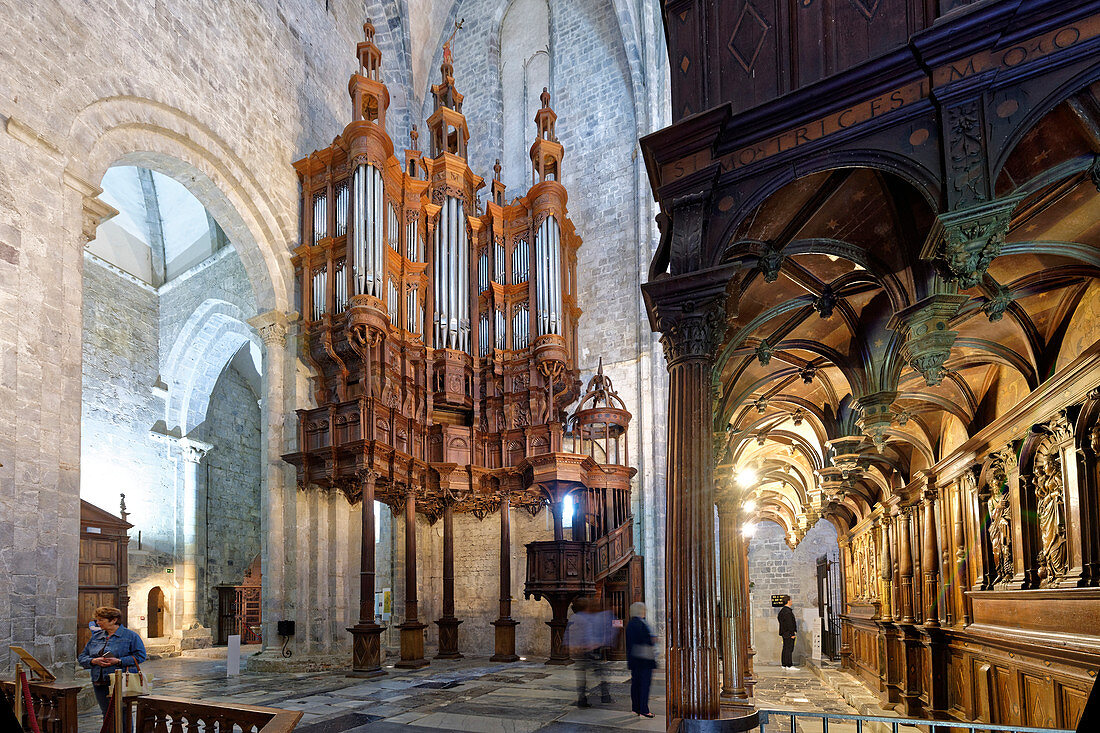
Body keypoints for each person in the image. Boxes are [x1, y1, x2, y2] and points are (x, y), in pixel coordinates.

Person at [78, 606, 147, 715]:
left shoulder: (130, 636)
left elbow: (141, 656)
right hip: (99, 682)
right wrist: (93, 661)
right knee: (107, 714)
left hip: (120, 681)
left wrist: (118, 661)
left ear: (114, 620)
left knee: (122, 715)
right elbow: (82, 657)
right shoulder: (96, 637)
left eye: (101, 620)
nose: (97, 622)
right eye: (97, 620)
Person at [566, 597, 612, 707]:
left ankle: (582, 699)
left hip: (577, 651)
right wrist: (596, 644)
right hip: (587, 651)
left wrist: (570, 646)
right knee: (600, 672)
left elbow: (568, 634)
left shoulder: (573, 617)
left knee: (581, 676)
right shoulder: (585, 620)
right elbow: (588, 636)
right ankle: (605, 696)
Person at [625, 601, 657, 718]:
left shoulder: (630, 624)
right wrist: (653, 639)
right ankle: (644, 710)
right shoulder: (641, 624)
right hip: (644, 659)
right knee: (644, 685)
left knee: (636, 684)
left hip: (634, 659)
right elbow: (646, 641)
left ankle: (635, 708)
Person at [777, 595, 797, 670]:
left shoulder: (782, 611)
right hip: (788, 633)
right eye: (791, 600)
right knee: (789, 648)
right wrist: (792, 633)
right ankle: (789, 665)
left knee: (785, 648)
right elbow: (789, 624)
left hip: (785, 633)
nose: (791, 601)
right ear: (788, 601)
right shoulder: (787, 612)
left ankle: (784, 664)